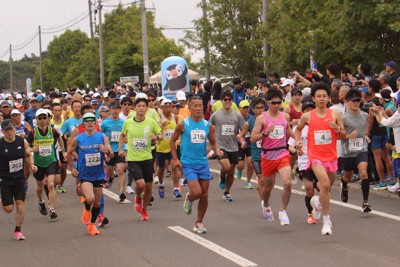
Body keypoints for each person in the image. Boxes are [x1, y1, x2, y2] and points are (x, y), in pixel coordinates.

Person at [295, 82, 346, 235]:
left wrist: (337, 129)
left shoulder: (335, 114)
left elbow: (343, 135)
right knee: (324, 185)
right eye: (319, 96)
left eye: (324, 96)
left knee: (327, 188)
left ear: (329, 98)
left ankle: (317, 202)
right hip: (315, 156)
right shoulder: (307, 116)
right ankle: (326, 220)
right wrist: (297, 142)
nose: (322, 99)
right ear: (314, 98)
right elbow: (298, 130)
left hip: (331, 156)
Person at [170, 96, 222, 233]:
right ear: (190, 107)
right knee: (197, 192)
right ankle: (189, 197)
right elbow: (172, 141)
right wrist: (175, 159)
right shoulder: (183, 124)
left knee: (204, 195)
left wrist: (217, 150)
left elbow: (213, 142)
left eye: (201, 106)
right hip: (188, 163)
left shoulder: (207, 125)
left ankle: (199, 222)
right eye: (196, 106)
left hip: (203, 163)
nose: (199, 108)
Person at [250, 89, 295, 225]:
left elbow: (289, 131)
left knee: (287, 182)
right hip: (268, 156)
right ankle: (266, 204)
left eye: (279, 102)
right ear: (268, 103)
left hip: (282, 153)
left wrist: (299, 140)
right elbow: (252, 138)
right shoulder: (261, 118)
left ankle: (283, 211)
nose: (276, 105)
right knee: (268, 187)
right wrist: (264, 134)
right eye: (273, 102)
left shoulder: (284, 117)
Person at [68, 113, 113, 236]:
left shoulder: (102, 137)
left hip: (98, 174)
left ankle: (92, 225)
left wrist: (107, 152)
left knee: (97, 203)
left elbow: (111, 153)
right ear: (83, 123)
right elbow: (69, 152)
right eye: (86, 121)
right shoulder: (78, 139)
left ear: (95, 123)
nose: (89, 123)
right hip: (85, 174)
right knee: (90, 199)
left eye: (92, 121)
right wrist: (72, 168)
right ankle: (87, 208)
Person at [118, 97, 162, 221]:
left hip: (147, 157)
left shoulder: (151, 122)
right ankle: (138, 198)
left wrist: (156, 137)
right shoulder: (128, 122)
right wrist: (121, 149)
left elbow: (160, 135)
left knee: (148, 187)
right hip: (133, 158)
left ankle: (144, 209)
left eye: (144, 106)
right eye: (139, 106)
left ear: (147, 108)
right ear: (135, 108)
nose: (141, 108)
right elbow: (122, 135)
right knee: (140, 183)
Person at [0, 119, 37, 240]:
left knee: (20, 205)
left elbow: (28, 154)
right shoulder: (0, 144)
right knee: (8, 209)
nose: (10, 132)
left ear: (14, 129)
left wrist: (32, 164)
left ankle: (18, 230)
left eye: (11, 129)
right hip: (5, 179)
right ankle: (4, 201)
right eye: (7, 130)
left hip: (19, 179)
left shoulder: (22, 141)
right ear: (3, 132)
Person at [27, 108, 66, 220]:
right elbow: (27, 148)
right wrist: (32, 151)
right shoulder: (33, 133)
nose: (43, 120)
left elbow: (60, 139)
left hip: (51, 161)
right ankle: (41, 201)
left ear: (48, 119)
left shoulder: (53, 130)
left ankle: (52, 208)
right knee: (39, 187)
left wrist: (63, 151)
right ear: (36, 120)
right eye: (40, 118)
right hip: (38, 163)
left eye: (45, 117)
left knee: (51, 184)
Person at [339, 89, 372, 212]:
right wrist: (348, 136)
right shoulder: (342, 117)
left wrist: (366, 135)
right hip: (348, 152)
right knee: (348, 176)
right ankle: (344, 183)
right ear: (347, 102)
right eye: (353, 101)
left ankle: (365, 202)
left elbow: (369, 122)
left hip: (361, 149)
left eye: (358, 100)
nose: (356, 103)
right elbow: (337, 135)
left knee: (364, 173)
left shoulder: (364, 115)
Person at [209, 90, 245, 202]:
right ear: (222, 101)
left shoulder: (237, 115)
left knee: (231, 171)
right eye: (225, 100)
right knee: (226, 167)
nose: (227, 102)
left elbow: (242, 129)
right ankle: (222, 175)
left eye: (229, 99)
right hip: (221, 146)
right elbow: (209, 128)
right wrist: (212, 144)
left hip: (233, 146)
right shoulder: (215, 115)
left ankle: (227, 192)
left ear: (232, 101)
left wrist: (241, 136)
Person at [288, 101, 319, 224]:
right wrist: (296, 150)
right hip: (304, 162)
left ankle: (318, 204)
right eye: (306, 110)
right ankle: (310, 213)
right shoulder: (298, 128)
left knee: (323, 188)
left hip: (319, 161)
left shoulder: (320, 125)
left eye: (311, 110)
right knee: (309, 188)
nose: (309, 112)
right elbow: (290, 146)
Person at [101, 101, 127, 202]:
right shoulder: (105, 123)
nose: (115, 111)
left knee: (120, 170)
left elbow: (126, 135)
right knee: (110, 171)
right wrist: (104, 150)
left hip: (120, 149)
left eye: (117, 108)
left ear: (119, 110)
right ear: (110, 110)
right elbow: (100, 136)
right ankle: (111, 177)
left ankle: (122, 192)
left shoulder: (123, 123)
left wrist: (126, 141)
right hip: (109, 150)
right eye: (113, 108)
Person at [156, 99, 181, 198]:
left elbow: (178, 130)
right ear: (161, 108)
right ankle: (161, 184)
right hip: (161, 148)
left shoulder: (175, 117)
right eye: (165, 107)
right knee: (161, 168)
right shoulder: (159, 119)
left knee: (174, 167)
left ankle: (176, 188)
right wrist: (161, 126)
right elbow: (155, 131)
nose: (168, 109)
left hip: (172, 147)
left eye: (170, 107)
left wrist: (179, 139)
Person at [235, 100, 254, 189]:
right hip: (238, 145)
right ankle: (239, 169)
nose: (245, 110)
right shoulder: (236, 118)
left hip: (250, 144)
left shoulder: (252, 118)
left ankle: (248, 182)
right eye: (244, 108)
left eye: (247, 108)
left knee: (250, 163)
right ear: (239, 108)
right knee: (240, 165)